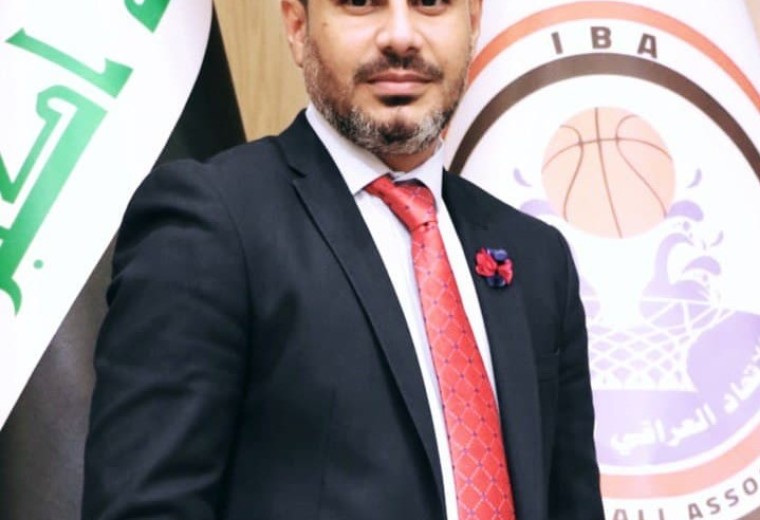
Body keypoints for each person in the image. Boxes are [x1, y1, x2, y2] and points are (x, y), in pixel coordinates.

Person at [82, 0, 604, 519]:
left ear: (471, 21)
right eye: (360, 3)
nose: (401, 36)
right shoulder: (212, 223)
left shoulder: (537, 259)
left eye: (430, 4)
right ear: (297, 24)